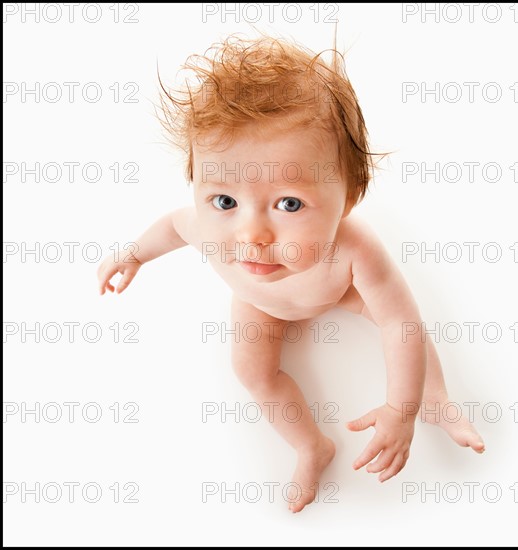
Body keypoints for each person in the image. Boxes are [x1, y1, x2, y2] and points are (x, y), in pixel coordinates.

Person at [97, 35, 485, 513]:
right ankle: (310, 446)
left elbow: (398, 324)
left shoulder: (354, 249)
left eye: (289, 203)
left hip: (337, 292)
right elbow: (171, 229)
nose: (252, 235)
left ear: (349, 198)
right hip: (258, 302)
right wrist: (133, 254)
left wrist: (398, 412)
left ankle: (435, 397)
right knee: (252, 371)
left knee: (408, 329)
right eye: (225, 201)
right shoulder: (201, 226)